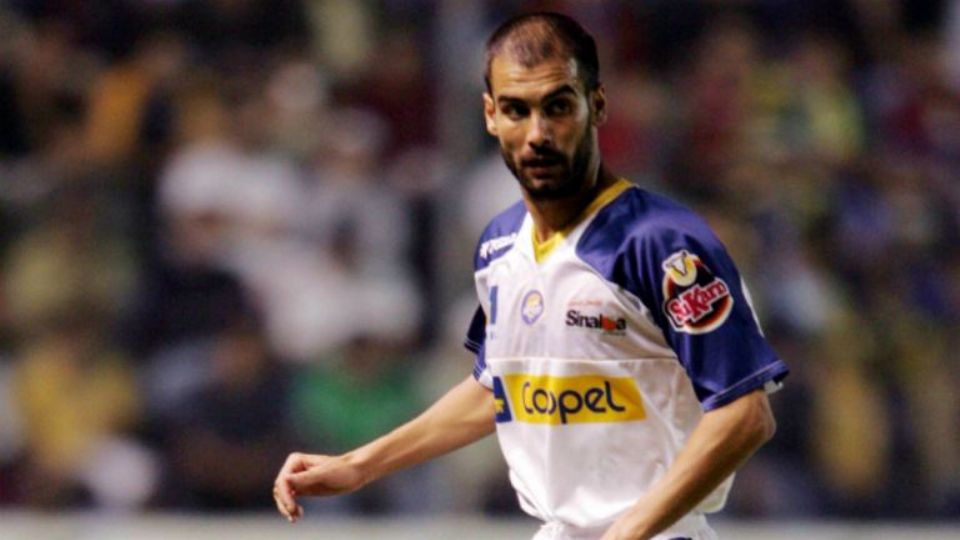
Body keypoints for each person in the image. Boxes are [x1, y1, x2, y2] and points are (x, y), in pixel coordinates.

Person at [273, 12, 788, 540]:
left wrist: (626, 533)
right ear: (490, 115)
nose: (538, 134)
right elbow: (500, 387)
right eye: (517, 110)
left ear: (597, 105)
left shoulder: (663, 242)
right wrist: (358, 465)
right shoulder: (499, 245)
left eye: (558, 106)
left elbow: (746, 414)